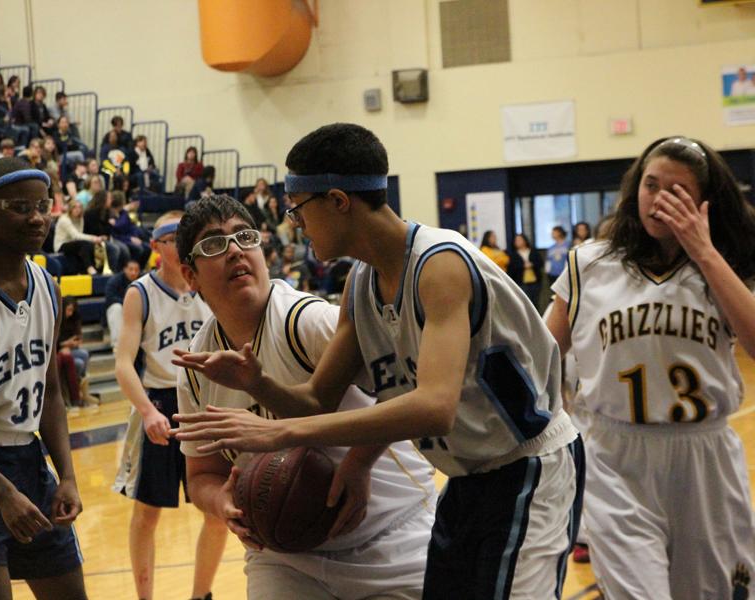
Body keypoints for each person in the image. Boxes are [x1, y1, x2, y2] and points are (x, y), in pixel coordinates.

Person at [172, 123, 583, 599]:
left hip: (528, 466)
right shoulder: (361, 287)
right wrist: (258, 383)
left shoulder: (439, 265)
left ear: (338, 201)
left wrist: (282, 433)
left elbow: (434, 407)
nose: (295, 224)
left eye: (298, 209)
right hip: (467, 477)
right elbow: (316, 398)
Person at [174, 195, 436, 599]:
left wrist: (359, 463)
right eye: (213, 244)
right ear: (189, 276)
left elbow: (412, 381)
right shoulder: (197, 366)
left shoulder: (306, 322)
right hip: (285, 556)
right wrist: (221, 500)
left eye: (245, 237)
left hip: (390, 536)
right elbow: (201, 476)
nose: (234, 250)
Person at [546, 136, 755, 599]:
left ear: (703, 203)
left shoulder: (724, 264)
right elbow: (540, 354)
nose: (658, 199)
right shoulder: (589, 264)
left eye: (676, 190)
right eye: (650, 184)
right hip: (614, 454)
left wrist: (703, 251)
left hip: (704, 458)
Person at [0, 158, 86, 598]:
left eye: (42, 205)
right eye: (19, 206)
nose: (36, 217)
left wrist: (66, 474)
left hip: (28, 458)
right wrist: (1, 491)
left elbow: (51, 393)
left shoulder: (48, 285)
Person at [112, 211, 226, 600]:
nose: (180, 244)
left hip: (205, 404)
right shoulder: (139, 293)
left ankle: (201, 595)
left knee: (217, 508)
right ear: (156, 246)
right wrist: (147, 412)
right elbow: (123, 364)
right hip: (159, 402)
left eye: (185, 237)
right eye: (172, 237)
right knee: (147, 513)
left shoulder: (211, 287)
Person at [57, 296, 98, 407]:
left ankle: (81, 388)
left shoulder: (75, 317)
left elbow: (78, 335)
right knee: (78, 363)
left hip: (70, 349)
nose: (70, 313)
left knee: (84, 354)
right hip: (58, 350)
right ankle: (78, 391)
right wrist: (63, 345)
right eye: (69, 309)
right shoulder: (57, 318)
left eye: (72, 310)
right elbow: (54, 342)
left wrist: (74, 342)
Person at [54, 199, 103, 275]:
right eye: (75, 207)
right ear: (70, 209)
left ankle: (91, 269)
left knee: (89, 245)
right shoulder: (64, 219)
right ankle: (89, 268)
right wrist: (94, 238)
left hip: (74, 244)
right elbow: (76, 236)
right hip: (61, 245)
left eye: (79, 207)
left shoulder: (80, 219)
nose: (77, 210)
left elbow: (79, 235)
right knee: (83, 244)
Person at [104, 258, 141, 350]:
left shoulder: (143, 281)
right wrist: (128, 304)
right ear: (124, 269)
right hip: (119, 311)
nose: (133, 272)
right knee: (116, 308)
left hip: (136, 312)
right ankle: (118, 345)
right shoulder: (114, 281)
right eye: (131, 269)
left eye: (136, 270)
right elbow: (110, 298)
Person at [507, 232, 543, 310]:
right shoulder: (513, 255)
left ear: (525, 240)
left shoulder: (533, 251)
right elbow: (511, 269)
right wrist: (522, 266)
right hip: (521, 282)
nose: (518, 242)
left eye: (520, 240)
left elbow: (540, 262)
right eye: (516, 240)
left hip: (535, 282)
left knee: (535, 302)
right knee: (525, 304)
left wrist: (532, 264)